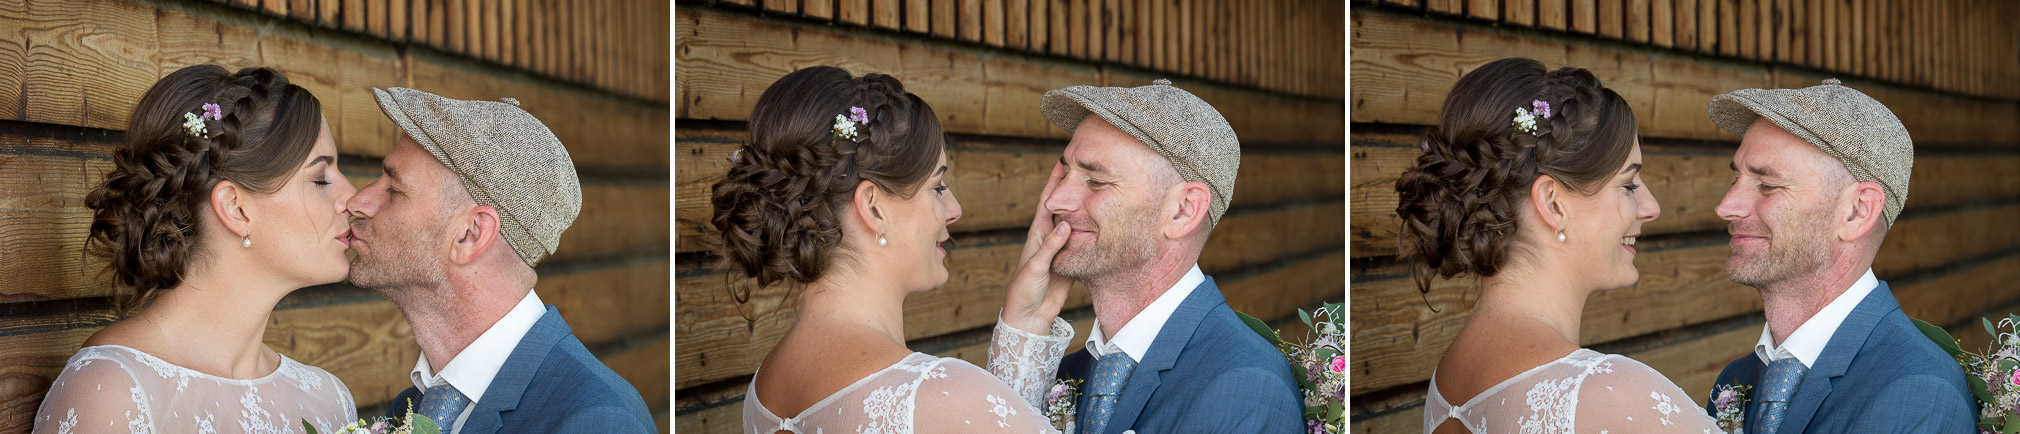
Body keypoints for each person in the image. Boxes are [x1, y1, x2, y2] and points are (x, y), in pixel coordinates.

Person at [713, 66, 1079, 433]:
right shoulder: (939, 396)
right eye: (937, 186)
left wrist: (1027, 322)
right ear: (872, 207)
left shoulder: (762, 393)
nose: (955, 211)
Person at [1399, 58, 1721, 433]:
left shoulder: (1447, 382)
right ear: (1552, 203)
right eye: (1629, 185)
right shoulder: (1610, 395)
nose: (1651, 208)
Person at [34, 65, 360, 432]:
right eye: (320, 179)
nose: (353, 198)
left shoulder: (327, 401)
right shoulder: (113, 393)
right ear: (236, 209)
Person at [344, 87, 653, 431]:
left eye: (394, 190)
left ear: (470, 235)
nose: (358, 202)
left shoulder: (595, 420)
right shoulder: (409, 408)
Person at [1703, 79, 1975, 433]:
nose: (1726, 207)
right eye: (1735, 179)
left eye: (1767, 185)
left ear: (1857, 212)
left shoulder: (1918, 393)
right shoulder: (1737, 381)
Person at [1035, 78, 1304, 433]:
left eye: (1096, 181)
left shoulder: (1245, 388)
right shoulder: (1066, 374)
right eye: (1065, 173)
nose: (1055, 201)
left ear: (1183, 212)